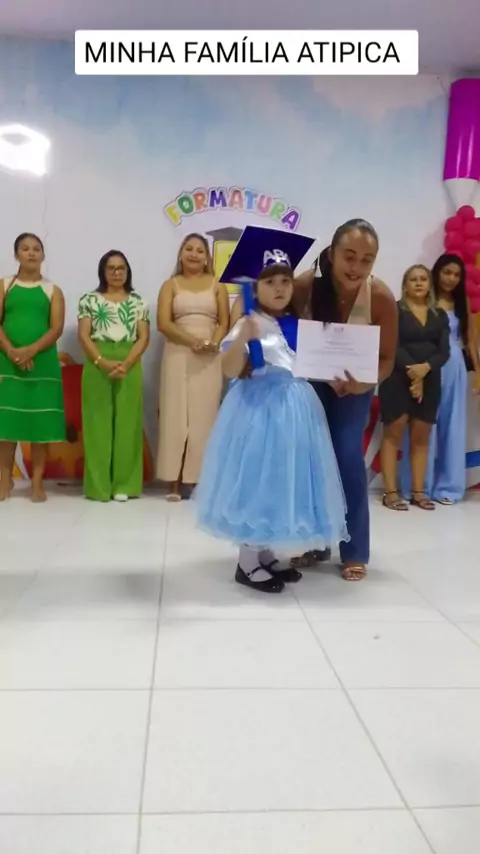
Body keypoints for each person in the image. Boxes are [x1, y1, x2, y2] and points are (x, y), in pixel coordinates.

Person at [195, 226, 349, 594]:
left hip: (297, 411)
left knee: (282, 478)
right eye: (270, 282)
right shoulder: (250, 324)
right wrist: (242, 340)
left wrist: (333, 379)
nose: (279, 288)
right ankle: (247, 561)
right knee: (258, 479)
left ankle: (265, 552)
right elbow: (230, 368)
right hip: (260, 411)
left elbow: (306, 364)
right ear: (256, 287)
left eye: (285, 280)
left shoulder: (295, 323)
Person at [289, 219, 398, 580]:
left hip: (357, 387)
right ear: (332, 253)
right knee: (312, 456)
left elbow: (387, 360)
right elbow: (285, 334)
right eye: (349, 256)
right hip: (312, 382)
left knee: (348, 453)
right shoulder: (304, 286)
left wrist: (364, 383)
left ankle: (354, 549)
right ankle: (315, 541)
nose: (356, 267)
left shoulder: (380, 297)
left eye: (367, 260)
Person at [156, 233, 229, 501]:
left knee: (204, 418)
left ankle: (199, 481)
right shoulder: (170, 285)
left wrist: (213, 342)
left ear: (207, 257)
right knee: (175, 417)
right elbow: (164, 323)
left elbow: (224, 321)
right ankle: (173, 482)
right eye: (189, 249)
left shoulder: (218, 286)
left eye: (200, 250)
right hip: (177, 353)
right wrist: (192, 341)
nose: (194, 254)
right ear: (181, 254)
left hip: (209, 356)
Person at [77, 250, 150, 502]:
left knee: (128, 424)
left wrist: (126, 363)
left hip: (130, 360)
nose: (117, 273)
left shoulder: (138, 301)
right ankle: (98, 487)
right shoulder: (89, 300)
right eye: (111, 268)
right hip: (97, 360)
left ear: (128, 271)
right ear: (103, 271)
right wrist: (102, 361)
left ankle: (124, 485)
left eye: (121, 268)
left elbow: (143, 337)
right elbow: (84, 335)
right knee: (97, 423)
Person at [0, 232, 65, 502]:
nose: (31, 253)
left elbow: (56, 328)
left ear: (43, 255)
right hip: (7, 363)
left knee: (40, 425)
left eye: (36, 249)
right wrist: (11, 351)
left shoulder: (53, 290)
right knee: (6, 424)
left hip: (42, 365)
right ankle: (4, 479)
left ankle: (37, 482)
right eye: (25, 249)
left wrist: (30, 350)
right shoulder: (5, 285)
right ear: (16, 255)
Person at [379, 264, 450, 511]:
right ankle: (390, 493)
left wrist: (424, 370)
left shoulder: (439, 315)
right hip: (397, 378)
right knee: (393, 434)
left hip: (430, 379)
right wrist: (413, 372)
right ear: (405, 285)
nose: (419, 283)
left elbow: (444, 351)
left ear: (429, 285)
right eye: (413, 279)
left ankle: (418, 492)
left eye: (423, 279)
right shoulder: (395, 310)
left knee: (421, 437)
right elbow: (391, 345)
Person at [423, 253, 480, 504]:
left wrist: (478, 372)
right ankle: (419, 486)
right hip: (427, 363)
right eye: (447, 272)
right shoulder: (424, 296)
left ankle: (449, 488)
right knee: (424, 425)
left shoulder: (461, 300)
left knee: (453, 424)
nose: (451, 278)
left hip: (455, 364)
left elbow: (470, 339)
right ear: (437, 272)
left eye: (456, 274)